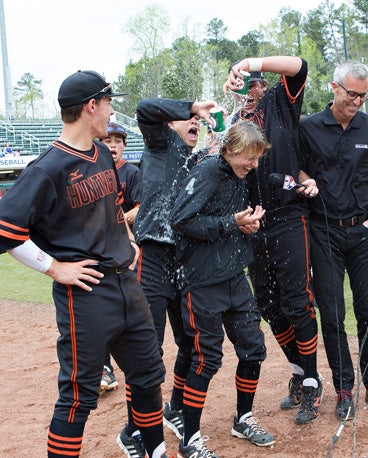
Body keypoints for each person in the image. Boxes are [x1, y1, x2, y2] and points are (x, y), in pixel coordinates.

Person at [0, 70, 170, 458]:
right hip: (86, 294)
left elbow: (112, 207)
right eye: (107, 103)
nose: (110, 111)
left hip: (127, 285)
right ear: (91, 106)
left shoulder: (103, 152)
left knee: (147, 378)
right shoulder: (47, 167)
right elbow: (1, 228)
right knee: (78, 396)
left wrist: (125, 239)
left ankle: (157, 453)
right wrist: (55, 268)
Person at [224, 56, 322, 425]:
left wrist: (251, 62)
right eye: (242, 84)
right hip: (251, 223)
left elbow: (300, 66)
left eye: (254, 83)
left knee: (298, 301)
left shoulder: (279, 103)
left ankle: (313, 379)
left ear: (265, 85)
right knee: (268, 303)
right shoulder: (232, 122)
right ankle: (299, 371)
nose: (249, 91)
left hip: (286, 215)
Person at [299, 60, 368, 420]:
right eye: (351, 94)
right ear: (334, 88)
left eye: (363, 96)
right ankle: (344, 388)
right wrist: (306, 179)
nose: (356, 101)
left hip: (362, 231)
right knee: (332, 313)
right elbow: (297, 165)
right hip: (323, 230)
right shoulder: (307, 127)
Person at [170, 120, 273, 458]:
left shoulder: (240, 174)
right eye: (249, 158)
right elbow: (181, 220)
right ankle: (190, 440)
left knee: (253, 348)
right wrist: (232, 223)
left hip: (234, 277)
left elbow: (231, 220)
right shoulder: (208, 172)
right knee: (206, 360)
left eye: (257, 159)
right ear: (229, 151)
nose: (253, 165)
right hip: (201, 282)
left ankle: (243, 418)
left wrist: (246, 226)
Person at [121, 97, 216, 456]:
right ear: (171, 123)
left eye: (197, 121)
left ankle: (174, 407)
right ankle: (134, 430)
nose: (195, 122)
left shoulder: (198, 159)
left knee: (193, 344)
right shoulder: (159, 143)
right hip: (154, 258)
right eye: (188, 119)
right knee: (148, 351)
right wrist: (191, 105)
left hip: (186, 261)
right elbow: (145, 109)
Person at [97, 121, 142, 393]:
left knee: (130, 308)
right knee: (101, 308)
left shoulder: (131, 173)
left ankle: (135, 363)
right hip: (99, 250)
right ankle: (104, 369)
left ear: (124, 145)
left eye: (117, 141)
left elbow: (141, 206)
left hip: (128, 251)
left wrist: (118, 220)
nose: (112, 145)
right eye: (107, 140)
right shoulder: (93, 171)